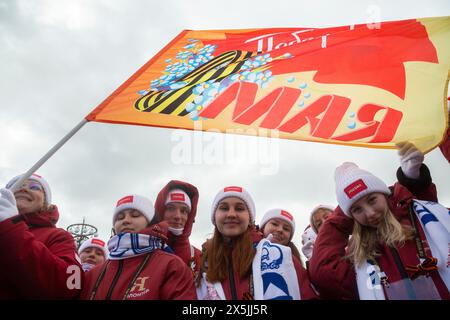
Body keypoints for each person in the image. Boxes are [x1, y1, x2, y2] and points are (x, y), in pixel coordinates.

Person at [309, 142, 450, 299]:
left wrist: (412, 181)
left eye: (372, 200)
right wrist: (339, 217)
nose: (370, 214)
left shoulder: (416, 219)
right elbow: (324, 274)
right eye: (357, 210)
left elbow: (430, 209)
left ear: (385, 194)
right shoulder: (358, 255)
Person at [196, 186, 317, 300]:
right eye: (224, 208)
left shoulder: (281, 256)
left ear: (250, 218)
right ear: (214, 217)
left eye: (239, 208)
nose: (231, 214)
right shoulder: (202, 261)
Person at [80, 194, 197, 300]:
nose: (126, 220)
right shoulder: (93, 274)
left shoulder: (171, 265)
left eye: (135, 215)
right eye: (120, 217)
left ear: (151, 222)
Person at [0, 173, 83, 299]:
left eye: (34, 187)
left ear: (45, 202)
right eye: (19, 185)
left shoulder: (59, 236)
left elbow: (70, 286)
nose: (24, 188)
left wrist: (11, 228)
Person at [154, 180, 201, 278]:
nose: (178, 216)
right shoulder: (142, 251)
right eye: (171, 208)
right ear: (160, 211)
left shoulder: (199, 257)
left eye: (184, 211)